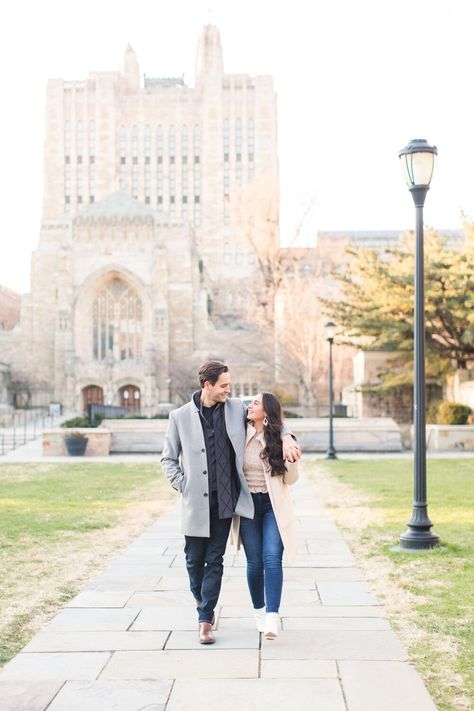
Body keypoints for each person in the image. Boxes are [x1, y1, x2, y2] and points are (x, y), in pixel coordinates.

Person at [160, 361, 301, 645]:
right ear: (207, 385)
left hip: (227, 502)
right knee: (193, 561)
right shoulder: (179, 417)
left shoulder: (236, 407)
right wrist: (182, 485)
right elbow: (168, 458)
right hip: (195, 504)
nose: (229, 389)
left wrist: (286, 436)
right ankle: (203, 601)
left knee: (215, 560)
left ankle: (205, 619)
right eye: (224, 385)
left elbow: (271, 413)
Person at [231, 392, 299, 640]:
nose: (250, 406)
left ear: (267, 413)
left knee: (272, 557)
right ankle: (259, 611)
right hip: (248, 506)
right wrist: (287, 433)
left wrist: (291, 455)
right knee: (254, 563)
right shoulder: (240, 431)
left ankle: (273, 617)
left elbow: (291, 480)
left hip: (273, 507)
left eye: (256, 403)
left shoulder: (280, 440)